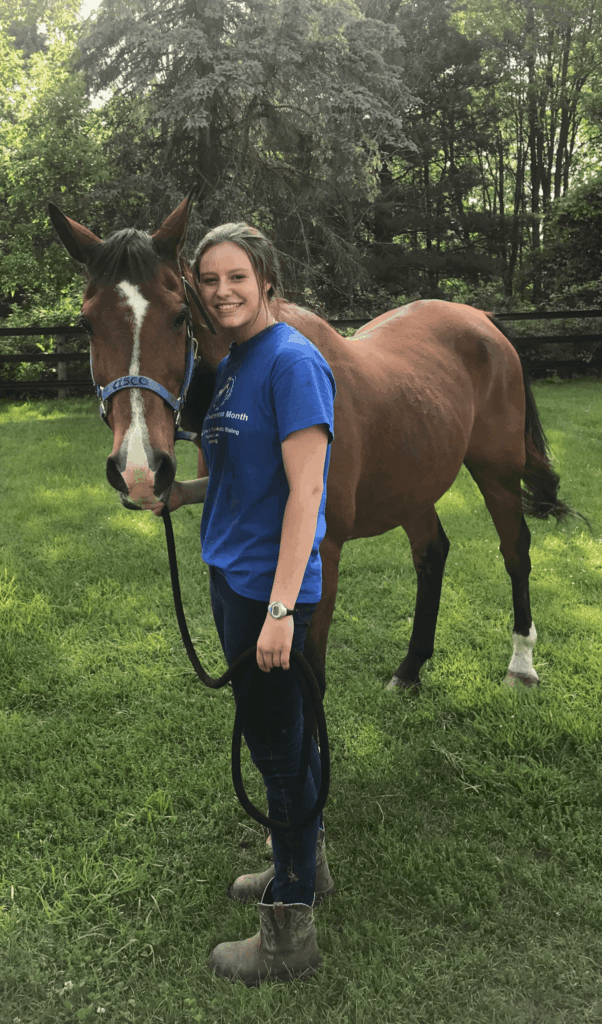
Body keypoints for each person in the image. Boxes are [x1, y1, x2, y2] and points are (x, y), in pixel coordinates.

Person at [152, 222, 336, 985]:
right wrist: (183, 494)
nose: (222, 290)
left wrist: (282, 609)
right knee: (279, 740)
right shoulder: (233, 364)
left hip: (268, 589)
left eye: (237, 276)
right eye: (210, 279)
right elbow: (244, 476)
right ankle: (307, 863)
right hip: (235, 578)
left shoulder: (292, 362)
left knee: (279, 754)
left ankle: (289, 934)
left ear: (266, 278)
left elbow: (307, 492)